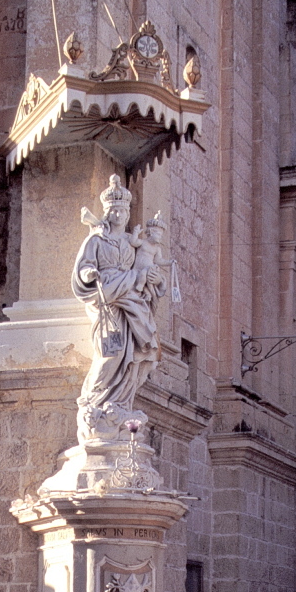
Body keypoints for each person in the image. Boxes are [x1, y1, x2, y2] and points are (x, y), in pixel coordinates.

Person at [72, 175, 165, 441]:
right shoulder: (96, 240)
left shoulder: (129, 242)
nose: (121, 215)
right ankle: (95, 400)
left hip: (130, 300)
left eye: (125, 210)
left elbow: (146, 269)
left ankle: (120, 403)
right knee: (110, 353)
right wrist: (90, 272)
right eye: (116, 210)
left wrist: (155, 279)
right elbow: (84, 266)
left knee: (132, 354)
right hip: (108, 300)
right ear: (108, 212)